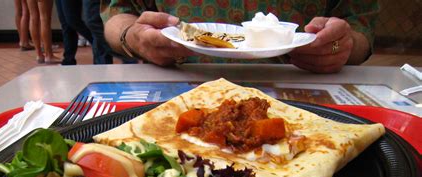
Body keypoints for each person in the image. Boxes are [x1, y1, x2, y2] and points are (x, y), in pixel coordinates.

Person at [100, 1, 379, 73]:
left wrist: (343, 45)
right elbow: (118, 11)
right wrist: (132, 36)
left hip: (302, 88)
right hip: (177, 81)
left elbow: (360, 23)